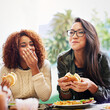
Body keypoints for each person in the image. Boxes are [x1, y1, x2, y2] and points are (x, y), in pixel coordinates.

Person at [57, 17, 110, 104]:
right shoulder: (62, 59)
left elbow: (108, 96)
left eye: (80, 32)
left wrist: (91, 86)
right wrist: (64, 89)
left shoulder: (103, 58)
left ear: (90, 36)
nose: (74, 36)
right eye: (71, 32)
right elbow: (65, 99)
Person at [0, 29, 52, 101]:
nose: (29, 48)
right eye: (23, 45)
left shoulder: (44, 65)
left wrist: (34, 68)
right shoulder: (6, 69)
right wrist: (5, 92)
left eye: (32, 44)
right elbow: (8, 102)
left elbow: (45, 97)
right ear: (15, 50)